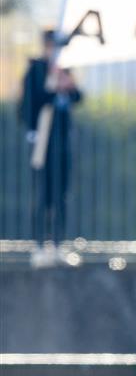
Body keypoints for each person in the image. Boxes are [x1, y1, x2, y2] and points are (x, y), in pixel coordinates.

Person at [19, 28, 83, 268]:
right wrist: (51, 87)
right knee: (44, 195)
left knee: (61, 195)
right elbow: (28, 105)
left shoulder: (65, 69)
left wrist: (68, 84)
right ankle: (39, 247)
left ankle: (58, 245)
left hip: (63, 141)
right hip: (43, 142)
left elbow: (78, 97)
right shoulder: (36, 70)